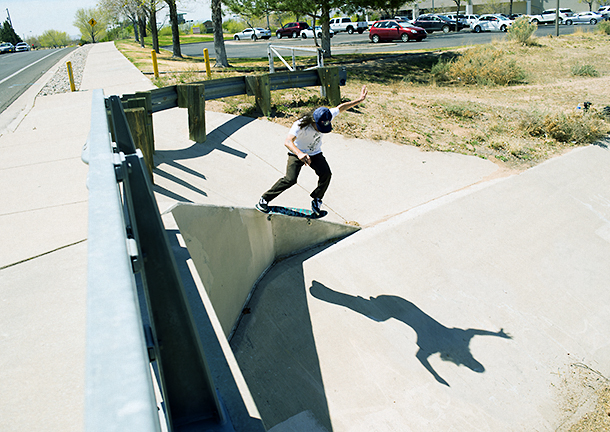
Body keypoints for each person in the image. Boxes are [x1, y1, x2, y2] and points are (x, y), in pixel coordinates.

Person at [256, 85, 368, 215]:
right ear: (313, 121)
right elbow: (287, 141)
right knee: (290, 179)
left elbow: (340, 108)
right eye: (318, 127)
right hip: (296, 151)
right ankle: (264, 199)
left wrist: (359, 100)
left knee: (326, 174)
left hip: (315, 153)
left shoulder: (326, 116)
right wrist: (299, 153)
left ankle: (317, 199)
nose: (320, 130)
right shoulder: (300, 124)